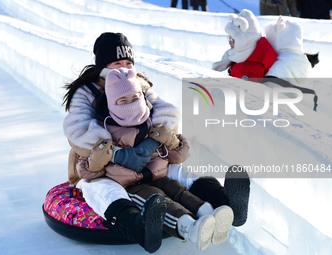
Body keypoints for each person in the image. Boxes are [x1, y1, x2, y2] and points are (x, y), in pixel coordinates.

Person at [63, 32, 250, 252]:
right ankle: (138, 224)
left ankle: (226, 204)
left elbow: (166, 111)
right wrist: (117, 152)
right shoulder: (88, 91)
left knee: (183, 173)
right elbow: (78, 129)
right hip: (103, 166)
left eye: (127, 62)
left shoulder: (138, 83)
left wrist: (151, 141)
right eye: (116, 63)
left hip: (150, 159)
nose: (123, 67)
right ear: (103, 65)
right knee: (103, 189)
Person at [212, 9, 277, 82]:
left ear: (245, 41)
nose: (230, 43)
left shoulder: (246, 68)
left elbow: (244, 92)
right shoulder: (247, 59)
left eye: (232, 39)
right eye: (229, 38)